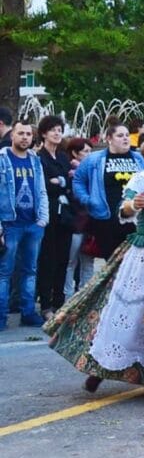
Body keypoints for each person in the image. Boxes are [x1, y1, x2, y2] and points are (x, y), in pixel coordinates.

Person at [47, 132, 144, 392]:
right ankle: (101, 368)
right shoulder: (142, 179)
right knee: (132, 315)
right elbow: (124, 209)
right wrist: (135, 205)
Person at [72, 123, 144, 266]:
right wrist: (88, 199)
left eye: (126, 135)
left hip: (135, 219)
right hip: (105, 219)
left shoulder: (138, 159)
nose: (125, 139)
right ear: (109, 139)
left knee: (134, 264)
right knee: (112, 264)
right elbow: (78, 180)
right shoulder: (94, 159)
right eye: (120, 136)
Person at [0, 122, 49, 330]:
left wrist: (42, 219)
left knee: (30, 270)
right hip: (10, 224)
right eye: (21, 133)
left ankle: (28, 312)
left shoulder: (35, 160)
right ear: (12, 135)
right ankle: (1, 316)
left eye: (29, 134)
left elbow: (41, 190)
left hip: (33, 224)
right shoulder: (2, 160)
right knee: (5, 272)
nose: (25, 137)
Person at [36, 116, 73, 318]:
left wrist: (59, 181)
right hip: (49, 214)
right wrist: (61, 181)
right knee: (48, 259)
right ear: (44, 133)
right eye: (53, 130)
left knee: (63, 259)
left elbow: (69, 182)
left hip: (65, 216)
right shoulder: (39, 158)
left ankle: (60, 302)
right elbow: (44, 185)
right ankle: (46, 304)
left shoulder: (63, 157)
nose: (57, 133)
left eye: (59, 129)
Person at [63, 138, 95, 300]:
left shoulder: (93, 172)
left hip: (90, 223)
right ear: (75, 153)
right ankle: (68, 298)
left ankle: (85, 298)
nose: (89, 155)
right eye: (86, 152)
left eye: (91, 151)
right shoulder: (71, 173)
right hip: (76, 223)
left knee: (88, 262)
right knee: (71, 262)